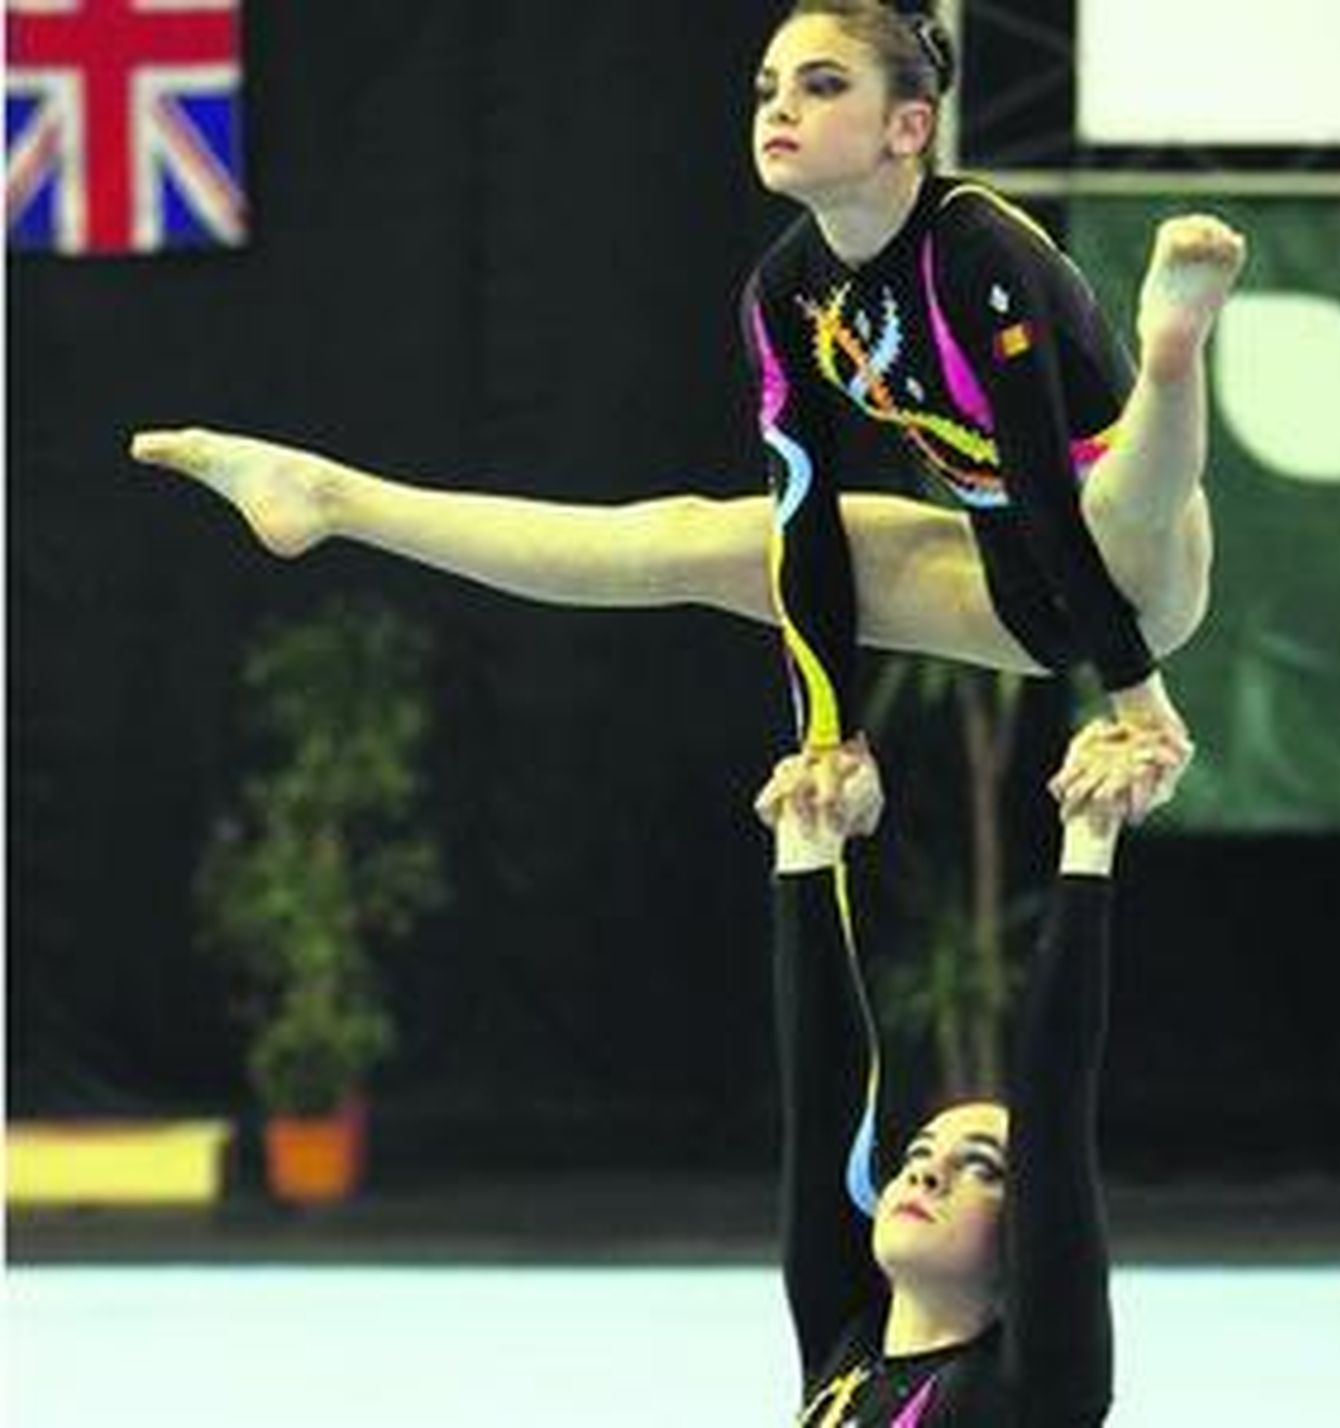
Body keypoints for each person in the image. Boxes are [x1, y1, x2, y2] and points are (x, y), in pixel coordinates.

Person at [130, 0, 1243, 823]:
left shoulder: (978, 248)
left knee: (1119, 490)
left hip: (1133, 577)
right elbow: (802, 524)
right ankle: (331, 496)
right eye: (767, 88)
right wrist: (829, 736)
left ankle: (1170, 353)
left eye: (819, 86)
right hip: (1005, 580)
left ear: (908, 127)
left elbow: (1045, 481)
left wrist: (1138, 702)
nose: (780, 109)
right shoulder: (786, 294)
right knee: (689, 536)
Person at [757, 714, 1182, 1426]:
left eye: (982, 1168)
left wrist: (1090, 834)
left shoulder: (1034, 1394)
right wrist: (807, 839)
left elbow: (1055, 1104)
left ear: (1023, 1233)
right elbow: (821, 1093)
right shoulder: (845, 1351)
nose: (925, 1174)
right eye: (919, 1155)